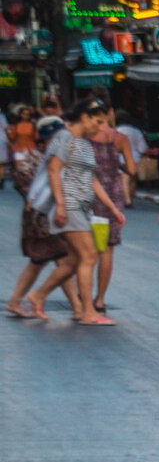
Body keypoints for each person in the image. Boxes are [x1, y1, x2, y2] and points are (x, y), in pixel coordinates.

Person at [25, 98, 125, 325]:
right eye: (97, 122)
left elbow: (91, 179)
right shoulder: (65, 138)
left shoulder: (83, 144)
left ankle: (38, 295)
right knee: (89, 255)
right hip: (69, 206)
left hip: (79, 206)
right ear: (85, 117)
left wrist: (112, 208)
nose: (100, 128)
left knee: (72, 261)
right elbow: (53, 169)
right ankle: (88, 311)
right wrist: (60, 204)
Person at [5, 120, 81, 320]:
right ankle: (74, 306)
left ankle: (15, 301)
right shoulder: (45, 159)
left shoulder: (48, 156)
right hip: (41, 214)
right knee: (63, 260)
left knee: (39, 261)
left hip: (39, 213)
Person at [87, 89, 135, 314]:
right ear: (110, 112)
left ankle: (84, 298)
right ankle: (100, 299)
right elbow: (132, 170)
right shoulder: (119, 138)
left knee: (87, 249)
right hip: (112, 199)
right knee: (106, 249)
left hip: (88, 195)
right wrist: (118, 165)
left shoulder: (85, 136)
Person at [115, 110, 149, 206]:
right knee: (133, 179)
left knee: (125, 178)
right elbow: (143, 148)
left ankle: (127, 199)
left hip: (122, 158)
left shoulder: (116, 131)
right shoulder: (136, 131)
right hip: (135, 158)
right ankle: (130, 197)